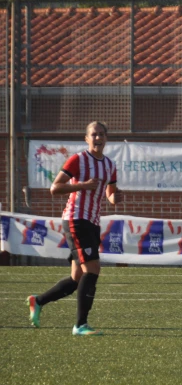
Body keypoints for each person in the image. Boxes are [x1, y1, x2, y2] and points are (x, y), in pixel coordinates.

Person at [27, 121, 122, 336]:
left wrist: (115, 197)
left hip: (93, 222)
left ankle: (38, 301)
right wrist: (82, 185)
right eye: (93, 135)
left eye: (101, 134)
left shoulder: (110, 165)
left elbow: (111, 192)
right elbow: (55, 188)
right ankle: (80, 325)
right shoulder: (78, 160)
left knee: (77, 278)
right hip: (75, 219)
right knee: (93, 269)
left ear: (106, 138)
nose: (98, 138)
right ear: (86, 139)